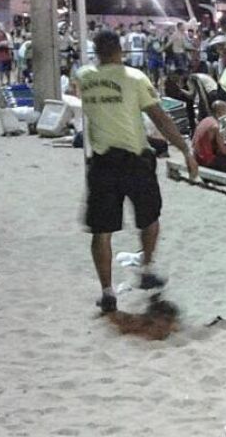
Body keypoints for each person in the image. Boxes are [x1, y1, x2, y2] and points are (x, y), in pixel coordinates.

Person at [77, 29, 198, 314]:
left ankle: (107, 292)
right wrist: (185, 149)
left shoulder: (84, 78)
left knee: (102, 230)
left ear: (97, 51)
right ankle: (146, 268)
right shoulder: (135, 78)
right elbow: (161, 118)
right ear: (120, 50)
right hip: (134, 160)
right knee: (149, 218)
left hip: (102, 162)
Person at [193, 100, 226, 172]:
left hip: (196, 156)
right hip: (206, 160)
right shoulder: (216, 127)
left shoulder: (206, 119)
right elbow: (223, 150)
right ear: (219, 113)